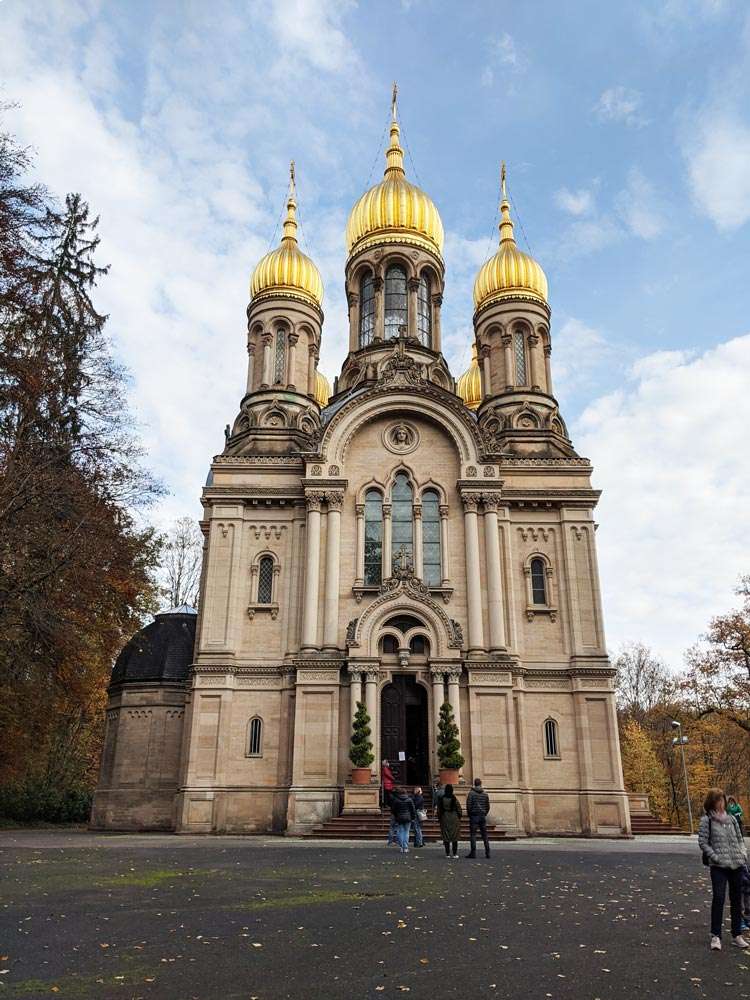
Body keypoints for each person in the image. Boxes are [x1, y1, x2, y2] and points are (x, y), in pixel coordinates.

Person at [698, 787, 749, 951]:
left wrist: (742, 854)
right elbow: (703, 842)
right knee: (719, 898)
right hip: (719, 866)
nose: (721, 803)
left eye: (722, 800)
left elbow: (740, 839)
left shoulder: (732, 819)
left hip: (736, 864)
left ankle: (737, 934)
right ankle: (716, 935)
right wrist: (715, 857)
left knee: (736, 900)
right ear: (712, 802)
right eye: (717, 800)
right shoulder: (707, 820)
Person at [465, 777, 491, 859]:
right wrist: (484, 813)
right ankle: (487, 852)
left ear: (474, 784)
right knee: (484, 835)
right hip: (482, 816)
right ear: (480, 784)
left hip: (474, 816)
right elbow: (488, 806)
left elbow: (468, 805)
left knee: (473, 835)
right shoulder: (485, 794)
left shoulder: (471, 794)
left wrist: (470, 814)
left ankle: (473, 853)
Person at [437, 782, 462, 859]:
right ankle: (455, 853)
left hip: (445, 817)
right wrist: (459, 817)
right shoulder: (454, 798)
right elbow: (459, 809)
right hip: (454, 818)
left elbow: (439, 810)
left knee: (446, 836)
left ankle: (447, 853)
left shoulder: (442, 799)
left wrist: (440, 818)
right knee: (455, 836)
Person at [390, 787, 416, 854]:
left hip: (399, 818)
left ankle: (401, 847)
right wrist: (413, 817)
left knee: (400, 832)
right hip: (408, 818)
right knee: (406, 832)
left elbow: (393, 810)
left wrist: (396, 816)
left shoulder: (396, 800)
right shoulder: (409, 799)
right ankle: (406, 847)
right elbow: (413, 810)